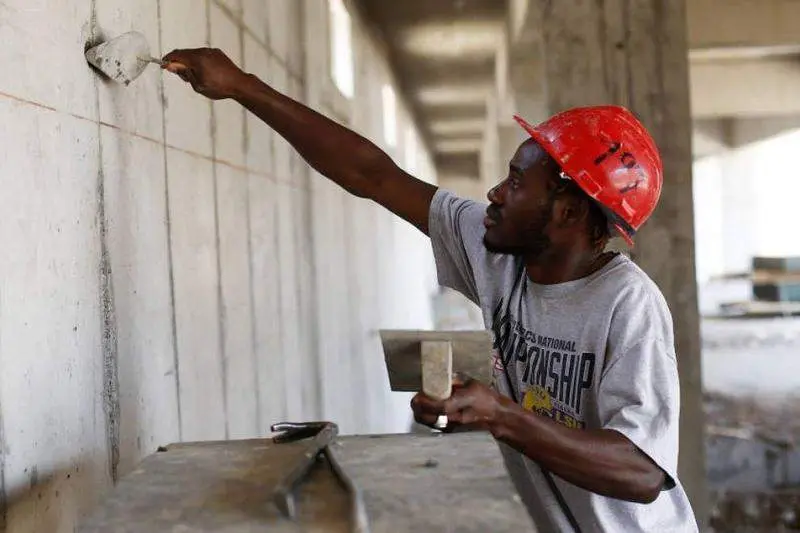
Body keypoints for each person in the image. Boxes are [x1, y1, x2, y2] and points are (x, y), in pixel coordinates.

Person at [161, 47, 699, 532]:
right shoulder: (498, 253)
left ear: (567, 211)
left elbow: (642, 472)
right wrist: (243, 87)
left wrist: (501, 415)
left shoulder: (627, 305)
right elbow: (373, 176)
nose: (494, 192)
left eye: (515, 181)